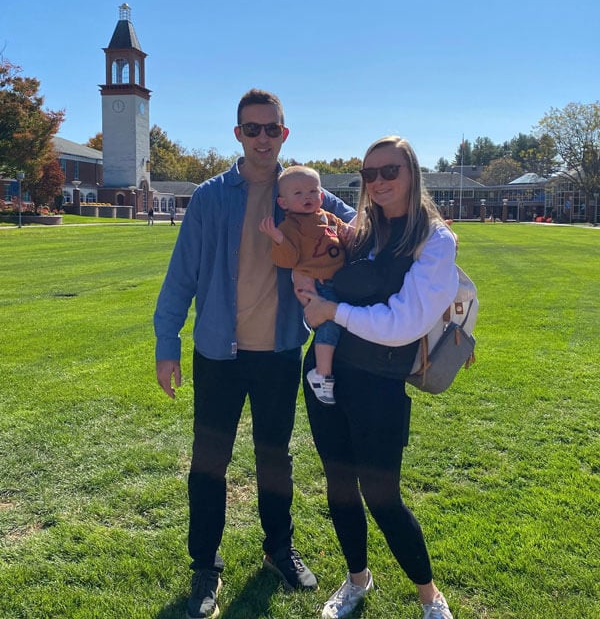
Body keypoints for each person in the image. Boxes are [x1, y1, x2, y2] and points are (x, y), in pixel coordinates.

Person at [153, 89, 355, 619]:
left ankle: (277, 550)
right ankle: (204, 564)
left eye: (271, 129)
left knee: (275, 458)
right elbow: (182, 276)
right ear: (237, 134)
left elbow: (368, 227)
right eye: (252, 129)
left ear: (284, 134)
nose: (262, 138)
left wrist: (430, 232)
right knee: (209, 461)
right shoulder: (210, 196)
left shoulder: (304, 191)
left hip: (280, 351)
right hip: (218, 352)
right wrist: (166, 343)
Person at [300, 136, 459, 619]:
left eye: (390, 170)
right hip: (326, 376)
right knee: (340, 485)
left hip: (380, 383)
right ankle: (356, 580)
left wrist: (334, 311)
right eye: (369, 174)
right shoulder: (359, 231)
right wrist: (314, 300)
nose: (379, 181)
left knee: (383, 495)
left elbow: (402, 324)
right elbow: (317, 292)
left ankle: (429, 595)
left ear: (412, 173)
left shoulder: (434, 240)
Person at [259, 165, 354, 405]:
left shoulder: (329, 217)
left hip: (338, 283)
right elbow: (288, 260)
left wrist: (351, 233)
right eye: (298, 194)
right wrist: (278, 238)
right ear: (283, 203)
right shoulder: (291, 226)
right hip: (318, 285)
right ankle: (321, 374)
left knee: (345, 322)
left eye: (313, 191)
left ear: (322, 196)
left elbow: (345, 235)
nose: (307, 197)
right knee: (330, 325)